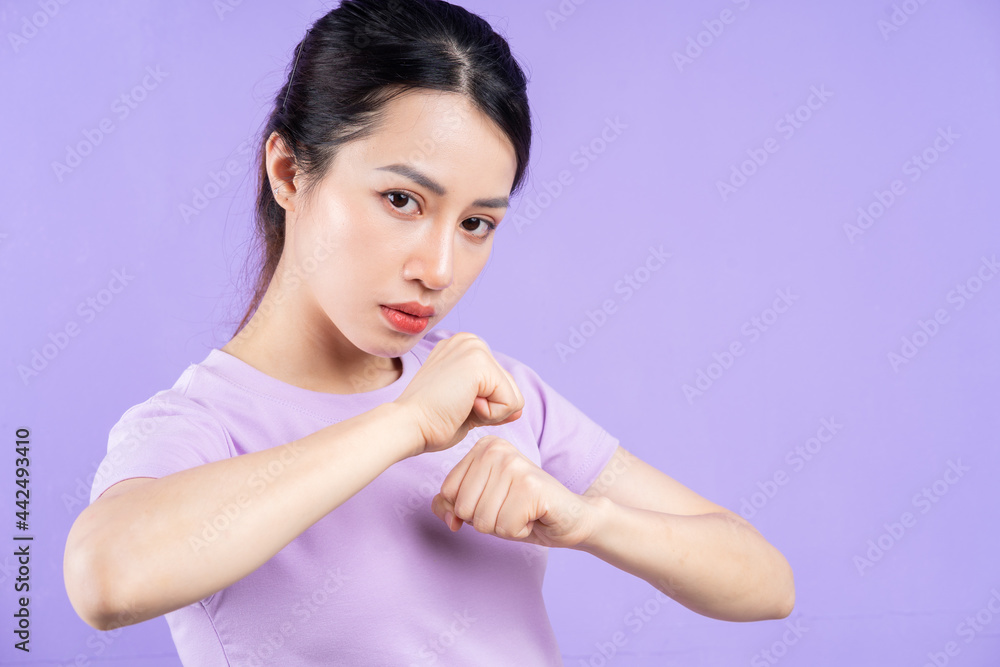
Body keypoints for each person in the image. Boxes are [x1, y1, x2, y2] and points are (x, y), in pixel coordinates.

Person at [63, 0, 795, 664]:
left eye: (477, 223)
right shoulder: (202, 425)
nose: (440, 269)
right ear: (289, 171)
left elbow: (766, 581)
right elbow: (107, 578)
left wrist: (587, 521)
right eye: (402, 199)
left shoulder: (500, 396)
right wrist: (405, 422)